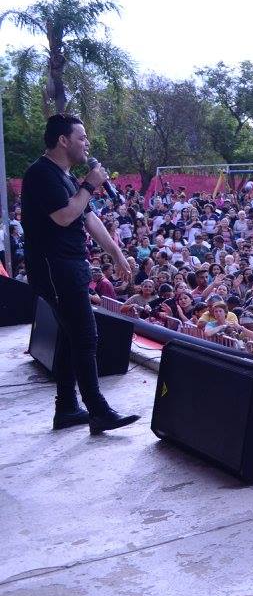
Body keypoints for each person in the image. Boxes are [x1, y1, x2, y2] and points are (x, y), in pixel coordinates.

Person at [21, 114, 138, 433]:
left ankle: (68, 409)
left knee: (72, 336)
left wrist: (117, 252)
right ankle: (97, 410)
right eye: (82, 137)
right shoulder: (41, 174)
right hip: (54, 268)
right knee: (85, 336)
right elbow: (63, 216)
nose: (87, 144)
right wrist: (90, 183)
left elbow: (87, 218)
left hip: (70, 265)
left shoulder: (65, 176)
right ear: (63, 140)